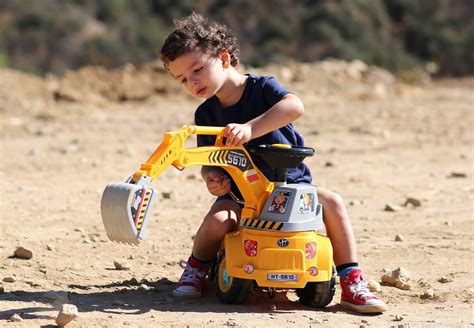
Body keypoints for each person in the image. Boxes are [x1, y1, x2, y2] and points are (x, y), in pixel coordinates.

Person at [160, 12, 387, 314]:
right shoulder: (206, 114)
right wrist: (212, 177)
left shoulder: (263, 88)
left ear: (224, 58)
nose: (192, 82)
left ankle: (351, 281)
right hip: (242, 196)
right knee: (217, 221)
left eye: (197, 70)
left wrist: (251, 128)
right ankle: (197, 268)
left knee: (333, 204)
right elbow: (208, 159)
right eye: (183, 79)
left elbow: (294, 106)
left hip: (291, 189)